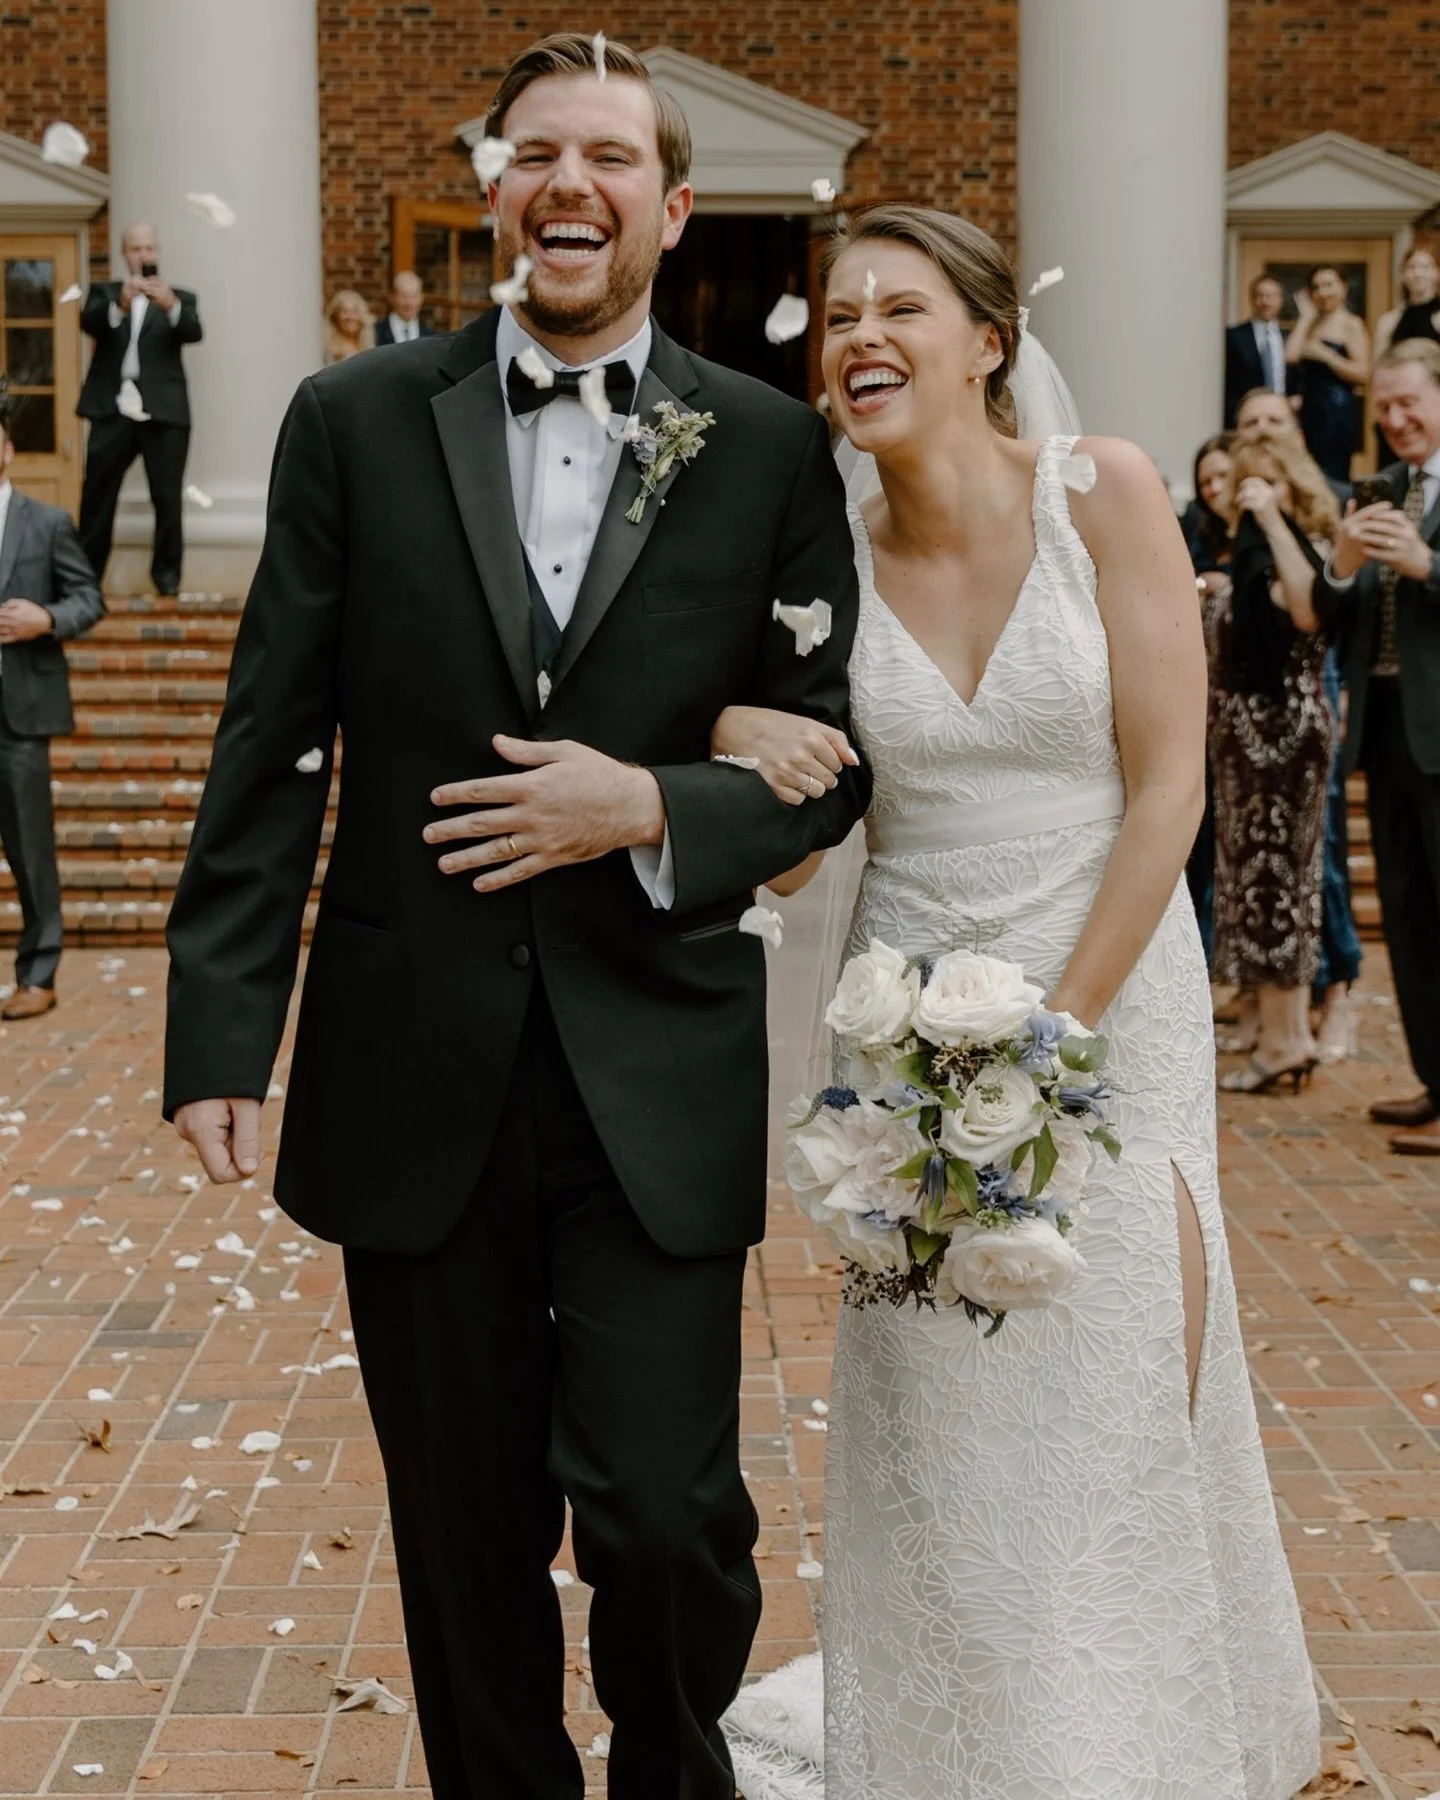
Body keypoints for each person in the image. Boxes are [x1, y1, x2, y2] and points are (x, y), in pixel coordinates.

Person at [162, 33, 869, 1800]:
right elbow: (275, 736)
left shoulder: (770, 444)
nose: (572, 183)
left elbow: (838, 752)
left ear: (674, 204)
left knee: (661, 1513)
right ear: (497, 190)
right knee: (462, 1531)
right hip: (416, 1068)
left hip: (656, 1061)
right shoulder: (352, 420)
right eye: (537, 152)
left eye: (612, 158)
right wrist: (220, 1027)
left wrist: (649, 803)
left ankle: (672, 1774)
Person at [713, 205, 1317, 1799]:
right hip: (910, 998)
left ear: (988, 341)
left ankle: (1139, 1741)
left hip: (1112, 975)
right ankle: (956, 1746)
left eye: (901, 308)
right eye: (838, 313)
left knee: (1111, 1366)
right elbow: (793, 817)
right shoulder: (817, 552)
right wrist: (725, 738)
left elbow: (1168, 790)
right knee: (945, 1396)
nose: (861, 339)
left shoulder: (1101, 492)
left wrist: (1055, 1031)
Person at [1313, 339, 1440, 1155]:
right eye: (1383, 407)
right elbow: (1336, 620)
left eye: (1408, 403)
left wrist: (1429, 562)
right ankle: (1436, 1081)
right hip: (1389, 734)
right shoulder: (1380, 489)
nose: (1393, 420)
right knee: (1409, 913)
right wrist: (1340, 566)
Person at [1207, 437, 1337, 1092]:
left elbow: (1309, 605)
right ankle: (1270, 1025)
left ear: (1295, 488)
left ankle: (1290, 1039)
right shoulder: (1249, 551)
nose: (1254, 493)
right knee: (1250, 878)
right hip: (1245, 738)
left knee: (1280, 880)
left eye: (1272, 483)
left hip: (1283, 739)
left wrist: (1271, 517)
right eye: (1247, 484)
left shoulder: (1298, 543)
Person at [0, 382, 105, 1019]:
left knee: (30, 848)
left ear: (7, 450)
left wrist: (46, 617)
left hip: (19, 714)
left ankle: (38, 975)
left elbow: (89, 598)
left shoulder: (46, 522)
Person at [76, 220, 203, 596]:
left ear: (157, 252)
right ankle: (85, 582)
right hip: (112, 409)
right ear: (124, 253)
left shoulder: (181, 296)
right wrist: (120, 304)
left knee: (167, 497)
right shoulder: (105, 293)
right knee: (98, 496)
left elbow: (194, 331)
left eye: (149, 248)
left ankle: (167, 582)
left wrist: (172, 307)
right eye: (135, 249)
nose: (143, 255)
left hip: (163, 412)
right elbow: (89, 323)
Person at [1179, 434, 1235, 959]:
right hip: (1203, 707)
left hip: (1249, 710)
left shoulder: (1258, 538)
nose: (1214, 489)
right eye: (1205, 482)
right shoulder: (1198, 533)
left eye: (1224, 477)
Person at [1286, 264, 1370, 484]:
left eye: (1328, 285)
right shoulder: (1310, 323)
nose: (1322, 292)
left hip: (1337, 412)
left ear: (1343, 287)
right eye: (1316, 287)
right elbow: (1291, 356)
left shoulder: (1351, 324)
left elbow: (1362, 373)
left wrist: (1326, 356)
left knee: (1333, 477)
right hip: (1309, 411)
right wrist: (1304, 318)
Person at [1224, 272, 1289, 427]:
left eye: (1271, 296)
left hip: (1282, 417)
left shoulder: (1290, 338)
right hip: (1246, 418)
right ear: (1252, 300)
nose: (1265, 302)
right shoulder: (1233, 336)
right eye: (1260, 296)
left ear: (1280, 300)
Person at [1374, 246, 1440, 362]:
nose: (1417, 273)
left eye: (1425, 267)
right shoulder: (1389, 321)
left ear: (1436, 273)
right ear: (1403, 275)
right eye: (1411, 267)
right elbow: (1378, 366)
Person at [373, 270, 433, 345]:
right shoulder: (375, 333)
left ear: (421, 298)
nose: (409, 303)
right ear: (392, 297)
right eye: (403, 296)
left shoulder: (430, 336)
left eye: (414, 296)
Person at [322, 289, 375, 363]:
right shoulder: (327, 349)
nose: (350, 317)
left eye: (355, 311)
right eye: (344, 311)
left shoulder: (368, 346)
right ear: (335, 316)